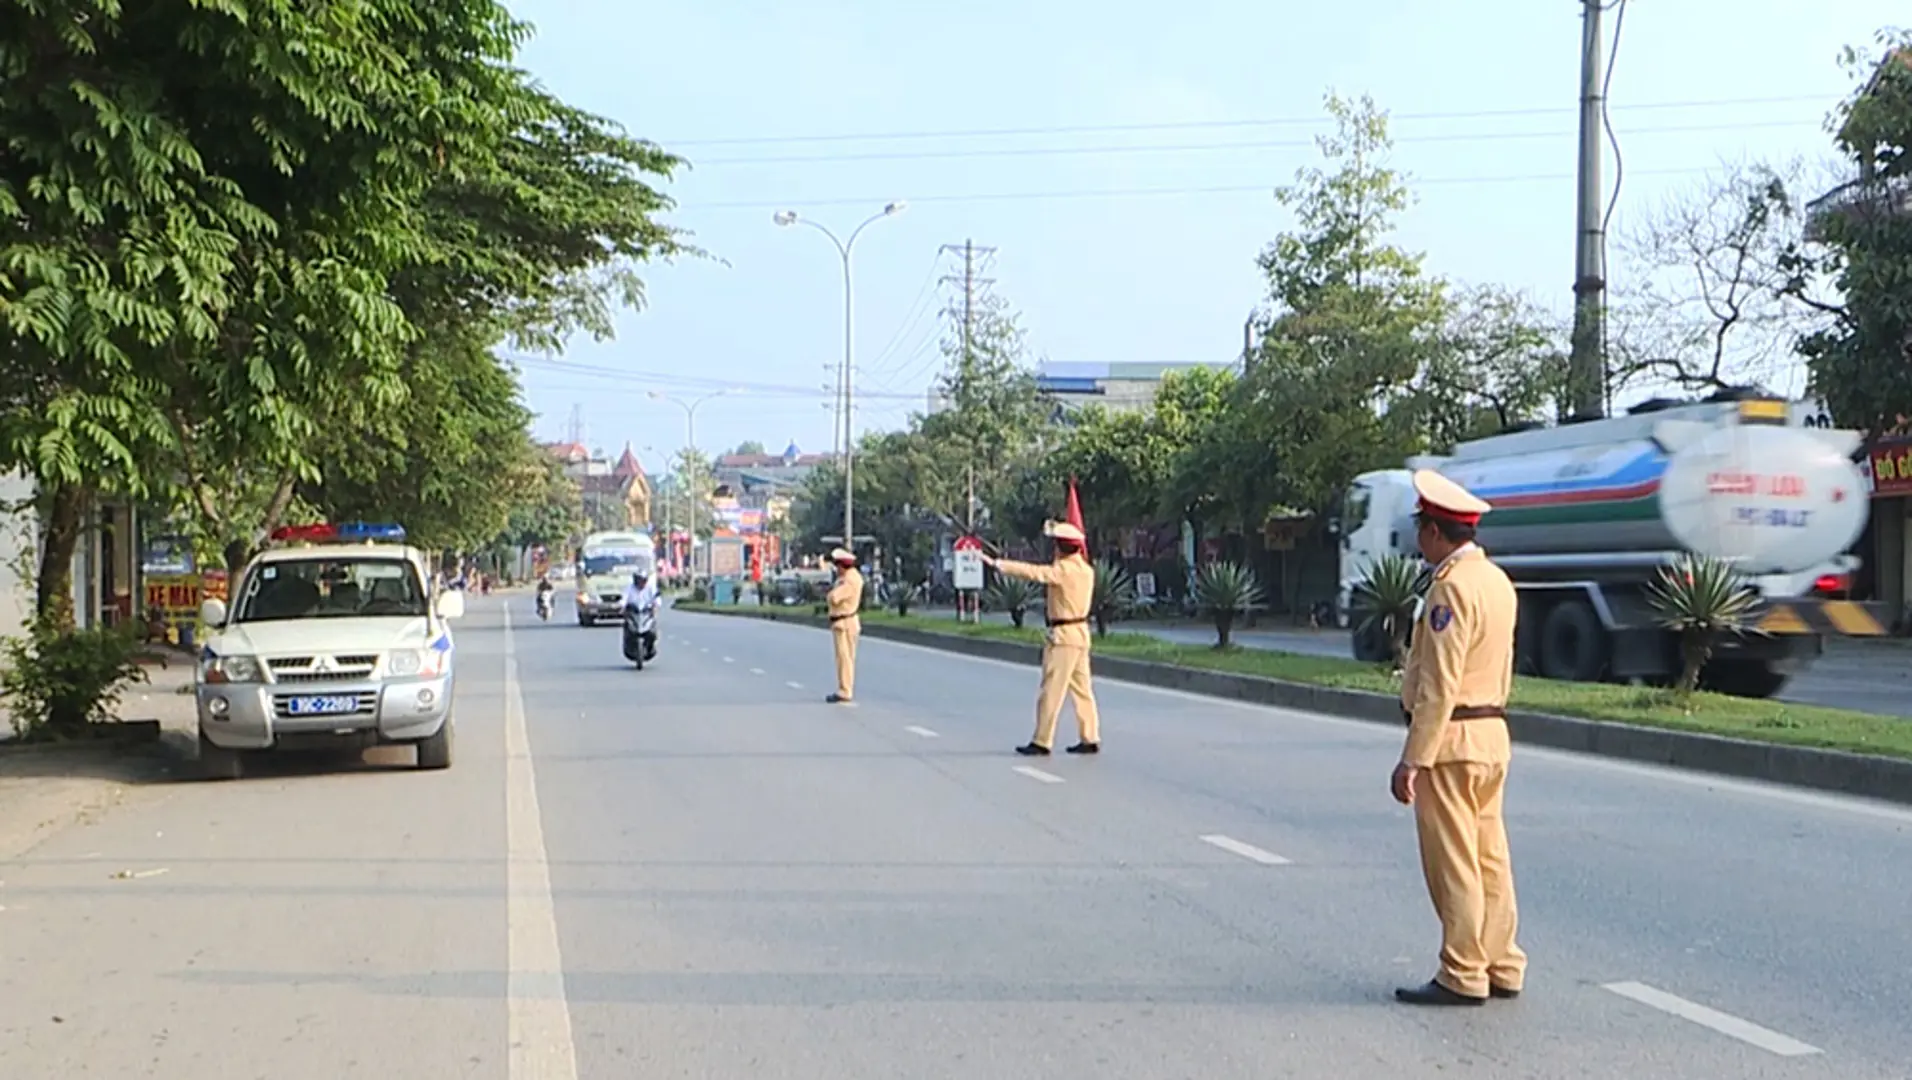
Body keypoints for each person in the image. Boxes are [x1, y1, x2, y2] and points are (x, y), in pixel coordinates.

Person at [1391, 469, 1526, 1007]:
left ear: (1434, 533)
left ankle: (1463, 970)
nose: (1419, 537)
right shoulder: (1496, 581)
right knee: (1490, 857)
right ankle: (1502, 961)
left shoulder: (1450, 589)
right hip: (1492, 735)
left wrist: (1413, 759)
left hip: (1453, 742)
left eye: (1422, 527)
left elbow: (1439, 685)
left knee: (1454, 863)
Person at [982, 521, 1100, 756]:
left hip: (1063, 636)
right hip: (1081, 634)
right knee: (1083, 690)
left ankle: (1042, 740)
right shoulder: (1086, 571)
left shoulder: (1063, 571)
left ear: (1060, 548)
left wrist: (998, 564)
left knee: (1051, 691)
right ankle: (1090, 736)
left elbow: (1033, 573)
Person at [824, 548, 862, 704]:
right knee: (844, 658)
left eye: (837, 566)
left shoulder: (850, 580)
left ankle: (845, 691)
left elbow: (835, 598)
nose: (836, 570)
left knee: (844, 659)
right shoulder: (848, 577)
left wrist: (831, 593)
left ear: (842, 566)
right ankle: (844, 688)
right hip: (843, 622)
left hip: (845, 623)